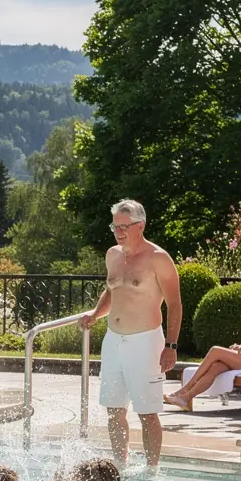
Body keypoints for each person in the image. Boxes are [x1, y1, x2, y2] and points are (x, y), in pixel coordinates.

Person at [80, 199, 183, 467]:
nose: (118, 231)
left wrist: (171, 345)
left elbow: (174, 303)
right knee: (114, 410)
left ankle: (152, 470)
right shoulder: (112, 254)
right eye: (115, 226)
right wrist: (95, 313)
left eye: (124, 226)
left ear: (141, 225)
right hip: (114, 340)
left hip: (146, 341)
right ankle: (120, 466)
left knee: (147, 412)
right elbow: (112, 290)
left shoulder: (158, 258)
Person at [164, 282, 241, 408]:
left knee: (215, 350)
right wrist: (239, 347)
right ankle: (186, 398)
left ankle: (184, 390)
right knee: (215, 367)